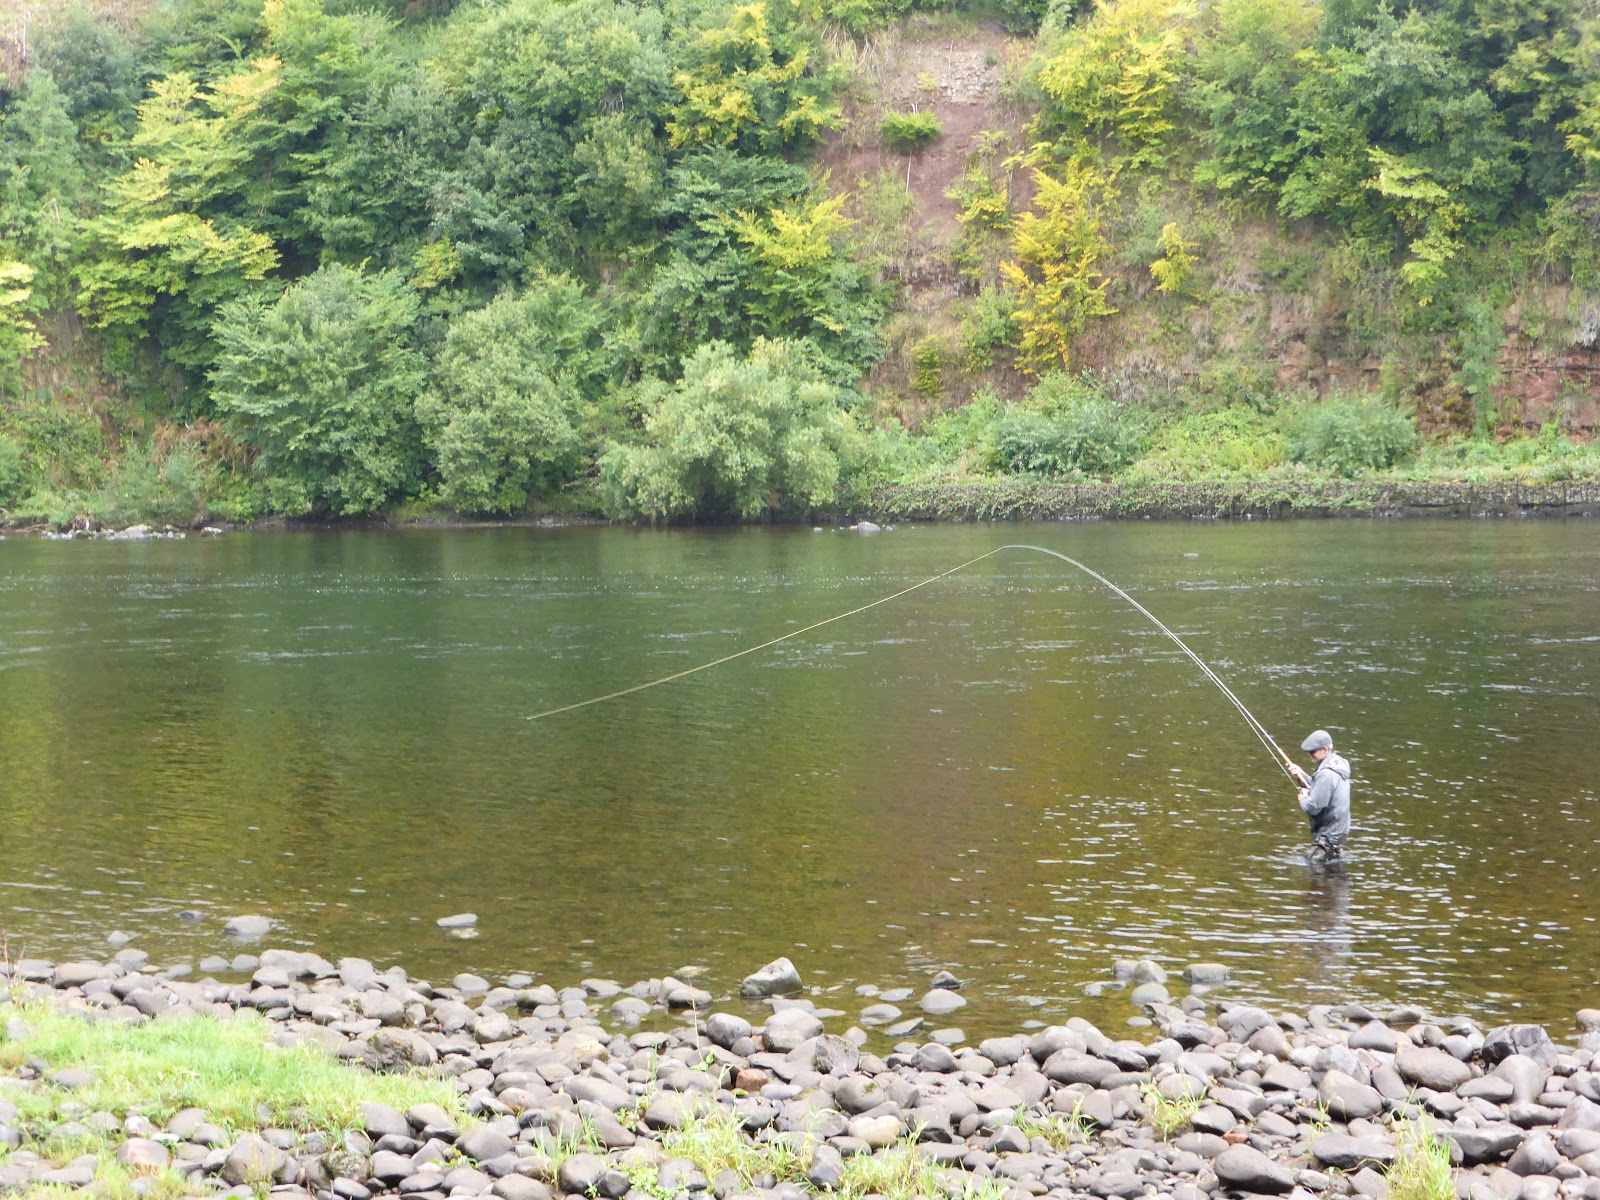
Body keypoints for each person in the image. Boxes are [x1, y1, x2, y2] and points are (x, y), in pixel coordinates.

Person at [1286, 729, 1351, 862]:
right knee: (1331, 871)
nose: (1310, 755)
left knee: (1312, 866)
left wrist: (1303, 799)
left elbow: (1313, 807)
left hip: (1329, 834)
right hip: (1339, 833)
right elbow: (1320, 789)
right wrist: (1301, 775)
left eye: (1313, 752)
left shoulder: (1326, 774)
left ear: (1326, 749)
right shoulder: (1338, 765)